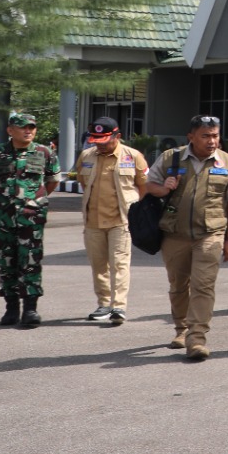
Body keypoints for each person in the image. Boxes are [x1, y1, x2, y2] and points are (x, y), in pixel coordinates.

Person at [143, 115, 228, 359]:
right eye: (205, 135)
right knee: (178, 287)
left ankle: (197, 338)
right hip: (174, 235)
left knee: (203, 286)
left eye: (215, 135)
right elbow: (150, 186)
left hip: (210, 234)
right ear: (191, 137)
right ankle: (181, 329)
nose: (212, 141)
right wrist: (165, 187)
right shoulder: (171, 157)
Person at [75, 117, 148, 325]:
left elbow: (144, 187)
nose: (100, 144)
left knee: (119, 263)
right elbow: (83, 182)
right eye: (96, 139)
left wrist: (134, 212)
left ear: (118, 136)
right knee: (98, 265)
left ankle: (118, 306)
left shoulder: (133, 157)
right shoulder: (86, 156)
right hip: (93, 221)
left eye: (105, 139)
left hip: (121, 221)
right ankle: (104, 304)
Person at [0, 113, 60, 327]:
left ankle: (30, 309)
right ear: (10, 130)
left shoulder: (44, 152)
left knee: (31, 261)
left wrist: (35, 200)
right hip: (3, 218)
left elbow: (52, 180)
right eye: (23, 127)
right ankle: (11, 307)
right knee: (6, 261)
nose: (28, 131)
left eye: (32, 127)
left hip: (31, 219)